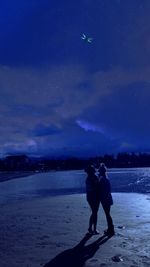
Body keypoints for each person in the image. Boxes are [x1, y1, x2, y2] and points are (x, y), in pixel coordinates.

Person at [98, 163, 114, 236]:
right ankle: (110, 228)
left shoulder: (103, 180)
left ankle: (111, 229)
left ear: (101, 172)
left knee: (107, 214)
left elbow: (99, 189)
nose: (98, 172)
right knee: (108, 214)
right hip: (108, 198)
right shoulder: (106, 179)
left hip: (105, 199)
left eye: (99, 171)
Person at [85, 165, 100, 235]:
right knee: (95, 213)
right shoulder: (94, 177)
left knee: (94, 212)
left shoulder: (88, 178)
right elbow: (95, 189)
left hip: (89, 196)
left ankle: (91, 228)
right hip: (94, 196)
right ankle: (94, 229)